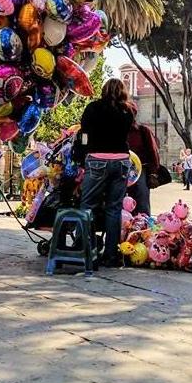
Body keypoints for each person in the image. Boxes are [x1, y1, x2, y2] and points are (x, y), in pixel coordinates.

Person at [77, 79, 135, 267]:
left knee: (88, 205)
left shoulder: (93, 108)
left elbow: (84, 133)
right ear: (122, 92)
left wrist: (82, 154)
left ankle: (86, 250)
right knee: (114, 208)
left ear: (104, 90)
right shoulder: (127, 111)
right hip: (121, 162)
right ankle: (111, 255)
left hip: (97, 160)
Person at [127, 121, 160, 215]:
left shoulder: (143, 131)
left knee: (141, 203)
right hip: (118, 170)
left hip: (140, 170)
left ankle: (143, 225)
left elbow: (153, 152)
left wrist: (153, 173)